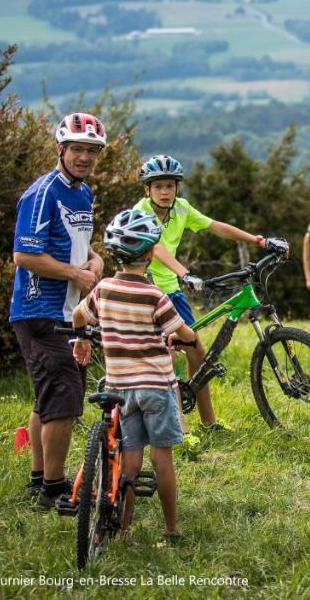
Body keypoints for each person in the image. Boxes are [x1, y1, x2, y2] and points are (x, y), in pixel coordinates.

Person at [71, 208, 196, 541]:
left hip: (120, 389)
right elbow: (183, 332)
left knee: (130, 461)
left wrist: (83, 340)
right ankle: (170, 529)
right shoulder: (155, 296)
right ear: (152, 253)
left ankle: (124, 528)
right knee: (162, 458)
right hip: (155, 387)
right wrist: (185, 338)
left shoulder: (103, 291)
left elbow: (77, 316)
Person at [135, 154, 280, 432]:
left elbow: (217, 227)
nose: (165, 192)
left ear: (178, 187)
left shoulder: (181, 208)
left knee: (196, 353)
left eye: (170, 186)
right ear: (147, 189)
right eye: (158, 187)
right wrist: (184, 272)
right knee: (168, 357)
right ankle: (180, 430)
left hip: (172, 292)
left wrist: (259, 240)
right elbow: (155, 247)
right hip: (148, 290)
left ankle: (208, 423)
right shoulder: (141, 211)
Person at [10, 112, 106, 511]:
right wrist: (76, 275)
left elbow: (79, 245)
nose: (84, 157)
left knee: (47, 400)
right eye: (77, 149)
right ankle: (54, 490)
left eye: (91, 151)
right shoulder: (42, 192)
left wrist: (96, 263)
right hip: (41, 310)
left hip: (70, 310)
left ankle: (39, 479)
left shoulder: (83, 192)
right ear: (61, 149)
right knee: (63, 401)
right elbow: (23, 254)